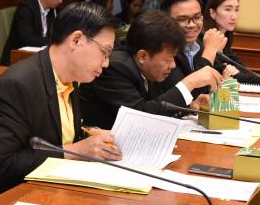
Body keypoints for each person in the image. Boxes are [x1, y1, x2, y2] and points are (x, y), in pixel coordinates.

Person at [0, 2, 123, 198]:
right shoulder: (18, 85)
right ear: (76, 40)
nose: (107, 63)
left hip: (52, 191)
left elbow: (57, 137)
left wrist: (90, 135)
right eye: (105, 52)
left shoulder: (70, 79)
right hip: (9, 201)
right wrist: (75, 151)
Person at [80, 10, 212, 129]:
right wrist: (189, 83)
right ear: (142, 56)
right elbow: (140, 117)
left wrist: (190, 105)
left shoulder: (149, 69)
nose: (172, 65)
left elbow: (159, 106)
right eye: (168, 59)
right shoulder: (114, 67)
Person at [159, 0, 226, 97]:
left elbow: (222, 74)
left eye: (197, 17)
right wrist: (209, 52)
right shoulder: (162, 49)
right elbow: (185, 95)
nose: (192, 25)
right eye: (182, 19)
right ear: (165, 20)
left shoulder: (200, 42)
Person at [0, 0, 67, 65]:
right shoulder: (25, 9)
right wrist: (54, 40)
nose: (61, 1)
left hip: (40, 58)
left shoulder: (54, 10)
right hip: (17, 60)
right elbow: (28, 39)